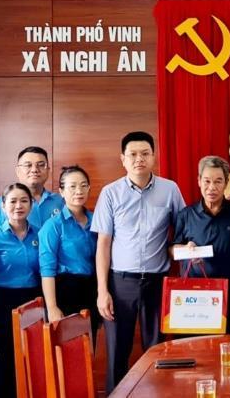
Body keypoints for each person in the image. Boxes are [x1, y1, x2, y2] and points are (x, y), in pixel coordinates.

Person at [93, 131, 186, 392]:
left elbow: (180, 232)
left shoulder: (170, 189)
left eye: (145, 154)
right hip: (120, 282)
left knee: (157, 351)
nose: (139, 159)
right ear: (123, 159)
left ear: (153, 157)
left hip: (157, 282)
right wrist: (102, 291)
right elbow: (103, 244)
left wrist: (181, 248)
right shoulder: (110, 193)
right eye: (132, 154)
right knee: (117, 353)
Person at [170, 156, 230, 333]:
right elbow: (172, 250)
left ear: (226, 183)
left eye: (218, 181)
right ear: (199, 181)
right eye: (207, 181)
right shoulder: (186, 215)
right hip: (197, 296)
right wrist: (186, 250)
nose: (212, 187)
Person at [0, 182, 42, 398]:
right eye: (12, 201)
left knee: (31, 363)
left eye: (24, 201)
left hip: (33, 304)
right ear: (2, 206)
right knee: (3, 364)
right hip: (2, 303)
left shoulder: (40, 235)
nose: (18, 206)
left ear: (31, 205)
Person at [39, 165, 100, 336]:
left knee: (88, 348)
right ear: (61, 191)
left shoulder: (96, 221)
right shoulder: (53, 226)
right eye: (72, 186)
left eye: (83, 185)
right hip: (65, 291)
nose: (78, 191)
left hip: (91, 290)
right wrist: (52, 307)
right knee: (67, 350)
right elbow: (47, 270)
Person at [0, 146, 65, 230]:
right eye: (28, 165)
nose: (34, 170)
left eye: (41, 165)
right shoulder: (1, 204)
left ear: (48, 170)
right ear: (18, 171)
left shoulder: (61, 201)